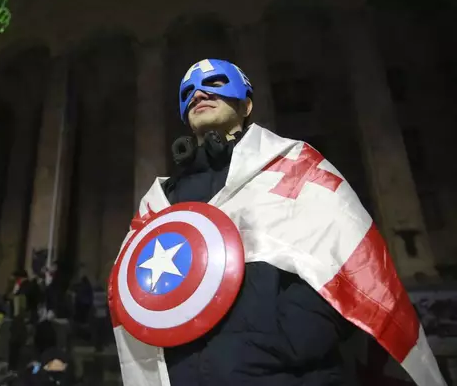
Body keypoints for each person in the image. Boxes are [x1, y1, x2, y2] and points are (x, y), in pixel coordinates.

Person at [108, 59, 446, 386]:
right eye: (189, 92)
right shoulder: (163, 200)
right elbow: (133, 292)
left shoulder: (295, 168)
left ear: (247, 105)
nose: (199, 94)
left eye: (214, 85)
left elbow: (350, 263)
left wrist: (280, 343)